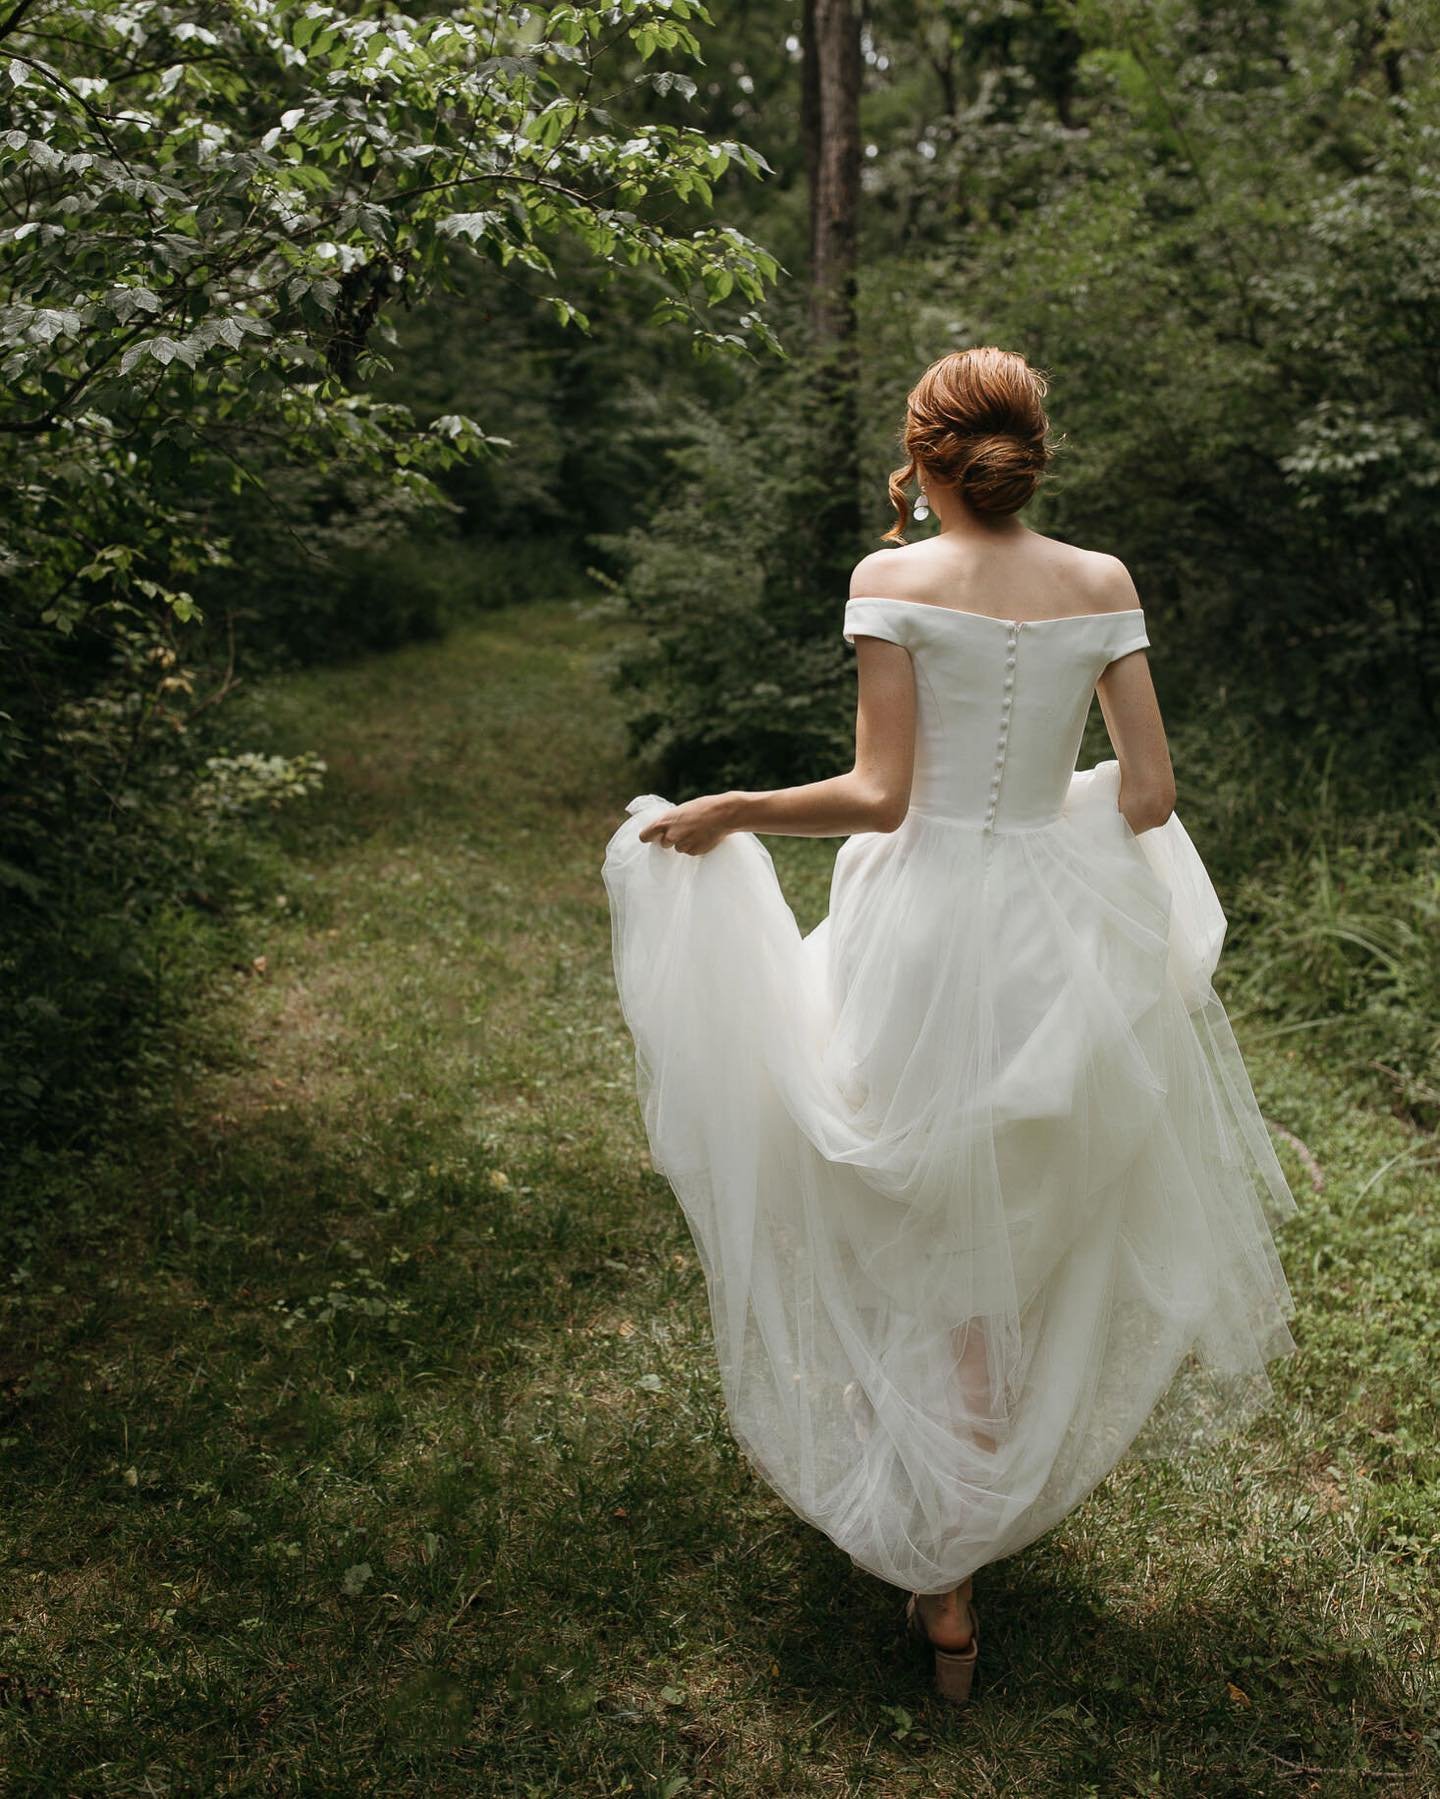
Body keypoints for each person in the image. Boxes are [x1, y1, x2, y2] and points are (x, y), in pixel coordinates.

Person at [601, 347, 1298, 1707]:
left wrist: (732, 808)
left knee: (895, 1176)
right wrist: (1056, 814)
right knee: (1008, 1219)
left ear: (923, 460)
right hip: (1051, 930)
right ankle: (957, 1572)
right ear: (1030, 451)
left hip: (918, 920)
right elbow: (1151, 795)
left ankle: (940, 1536)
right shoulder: (1102, 584)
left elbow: (877, 796)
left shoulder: (891, 579)